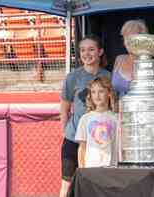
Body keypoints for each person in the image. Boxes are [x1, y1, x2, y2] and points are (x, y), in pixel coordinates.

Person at [59, 34, 111, 197]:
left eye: (91, 49)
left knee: (96, 185)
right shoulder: (73, 77)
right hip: (74, 139)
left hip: (99, 142)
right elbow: (64, 108)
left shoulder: (108, 77)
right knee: (67, 184)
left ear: (100, 52)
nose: (86, 54)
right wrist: (65, 132)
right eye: (82, 50)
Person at [112, 19, 154, 97]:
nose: (128, 42)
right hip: (117, 108)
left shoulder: (152, 65)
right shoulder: (119, 59)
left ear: (143, 39)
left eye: (132, 38)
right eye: (125, 38)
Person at [75, 76, 119, 168]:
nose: (97, 95)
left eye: (101, 91)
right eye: (93, 92)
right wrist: (82, 170)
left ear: (109, 93)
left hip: (112, 168)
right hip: (91, 168)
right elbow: (82, 148)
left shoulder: (116, 118)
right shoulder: (85, 119)